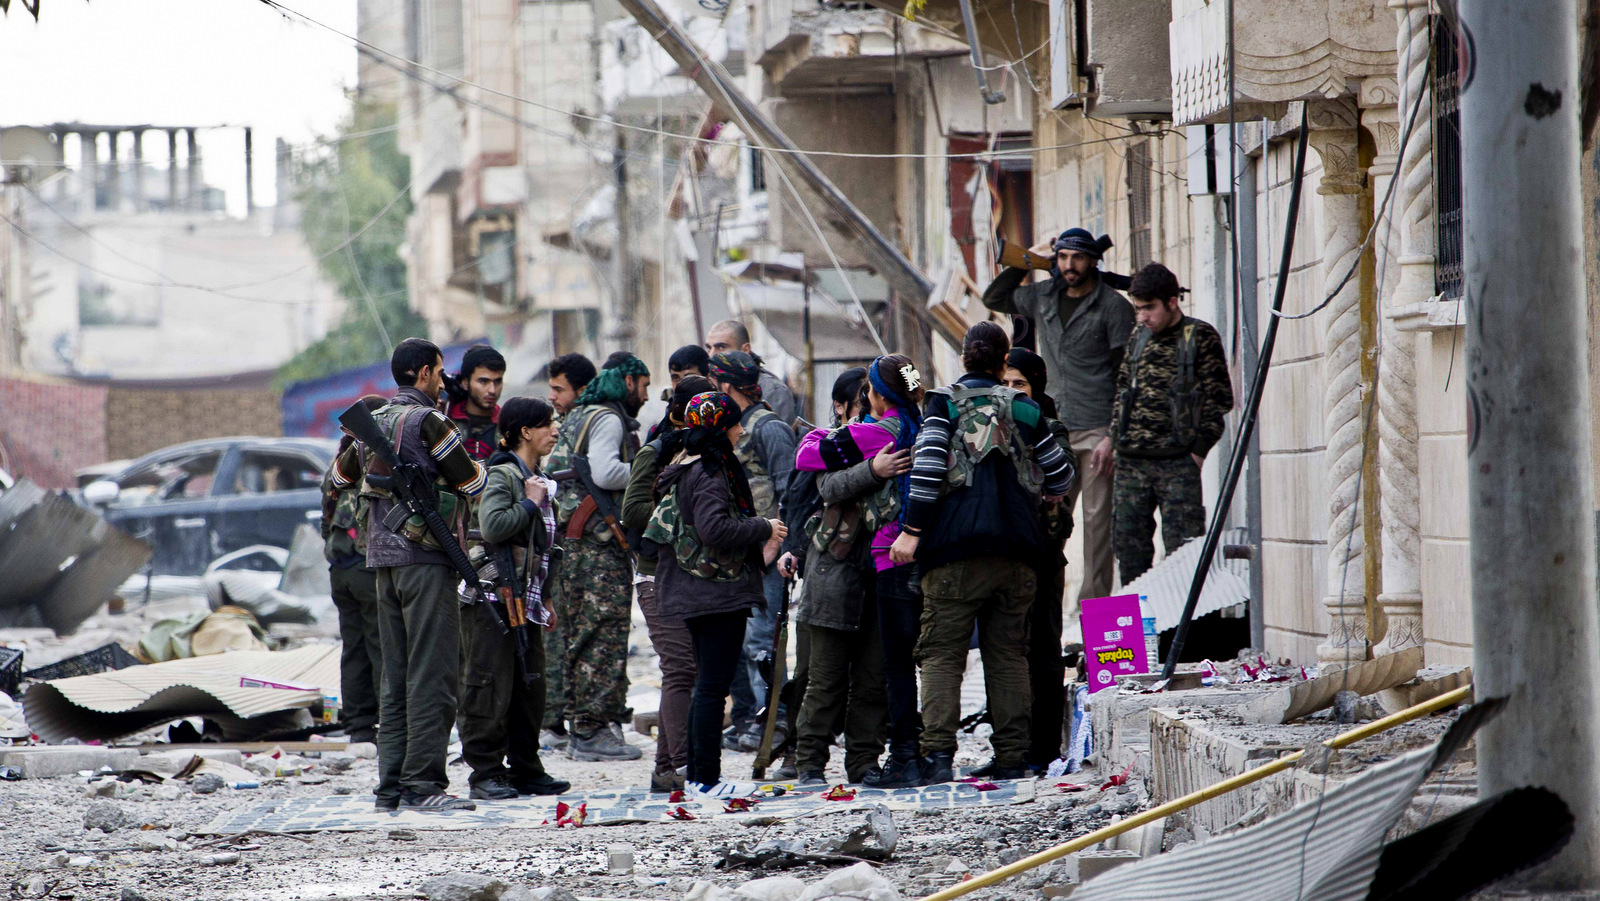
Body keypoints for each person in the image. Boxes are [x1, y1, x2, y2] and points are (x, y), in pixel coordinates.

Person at [890, 322, 1076, 784]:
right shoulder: (1026, 408)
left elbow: (930, 467)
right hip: (1017, 552)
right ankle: (1012, 756)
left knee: (941, 655)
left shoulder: (942, 404)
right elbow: (1061, 474)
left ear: (963, 360)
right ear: (1002, 360)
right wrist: (1047, 494)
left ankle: (937, 758)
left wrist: (912, 530)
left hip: (953, 550)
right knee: (1009, 654)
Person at [330, 338, 489, 811]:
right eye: (440, 372)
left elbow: (340, 479)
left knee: (395, 676)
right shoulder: (429, 421)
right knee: (434, 675)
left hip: (381, 561)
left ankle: (391, 786)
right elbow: (473, 482)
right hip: (425, 560)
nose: (444, 381)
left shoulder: (371, 422)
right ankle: (423, 784)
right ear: (423, 373)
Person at [982, 229, 1134, 604]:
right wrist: (1026, 260)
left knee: (1098, 531)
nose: (1069, 266)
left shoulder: (1113, 307)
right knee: (1047, 525)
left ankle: (1092, 619)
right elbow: (995, 297)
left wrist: (1113, 436)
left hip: (1097, 429)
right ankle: (1043, 606)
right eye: (1063, 257)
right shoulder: (1044, 295)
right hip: (1052, 430)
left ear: (1093, 261)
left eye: (1077, 258)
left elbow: (1126, 377)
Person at [788, 355, 919, 785]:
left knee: (872, 679)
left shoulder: (899, 430)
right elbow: (824, 483)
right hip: (836, 569)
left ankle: (863, 762)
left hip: (885, 573)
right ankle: (809, 763)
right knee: (824, 679)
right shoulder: (860, 435)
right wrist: (873, 470)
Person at [651, 391, 787, 797]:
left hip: (700, 591)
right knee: (712, 686)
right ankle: (705, 779)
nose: (741, 429)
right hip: (714, 592)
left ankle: (697, 776)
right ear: (719, 427)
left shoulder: (687, 462)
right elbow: (713, 529)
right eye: (734, 423)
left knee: (707, 685)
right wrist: (764, 527)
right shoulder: (709, 471)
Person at [458, 396, 572, 800]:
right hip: (491, 598)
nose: (555, 431)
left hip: (525, 599)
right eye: (547, 424)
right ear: (525, 431)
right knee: (489, 686)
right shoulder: (505, 475)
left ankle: (526, 768)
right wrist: (529, 502)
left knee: (530, 687)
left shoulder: (535, 476)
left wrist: (548, 600)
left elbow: (544, 548)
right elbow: (493, 527)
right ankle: (485, 772)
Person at [545, 351, 651, 761]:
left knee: (582, 636)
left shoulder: (579, 415)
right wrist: (650, 470)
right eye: (642, 386)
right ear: (628, 382)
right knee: (602, 636)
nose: (645, 394)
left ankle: (588, 726)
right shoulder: (606, 417)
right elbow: (606, 473)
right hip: (594, 547)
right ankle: (590, 733)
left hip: (575, 546)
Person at [772, 367, 869, 781]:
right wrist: (793, 549)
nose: (868, 415)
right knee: (816, 673)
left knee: (869, 676)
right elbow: (798, 500)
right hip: (826, 570)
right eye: (861, 406)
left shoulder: (883, 440)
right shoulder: (823, 447)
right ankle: (804, 755)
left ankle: (863, 759)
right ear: (840, 407)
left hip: (874, 573)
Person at [1111, 263, 1234, 583]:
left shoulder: (1199, 336)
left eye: (1149, 308)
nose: (1142, 317)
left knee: (1184, 556)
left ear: (1172, 302)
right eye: (1138, 309)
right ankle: (1138, 632)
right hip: (1131, 464)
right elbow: (1123, 389)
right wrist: (1114, 439)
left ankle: (1183, 632)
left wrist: (1197, 452)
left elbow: (1220, 402)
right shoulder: (1138, 336)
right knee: (1129, 555)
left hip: (1176, 464)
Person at [622, 373, 715, 793]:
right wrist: (678, 503)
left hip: (691, 573)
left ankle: (667, 768)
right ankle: (678, 764)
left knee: (690, 669)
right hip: (657, 573)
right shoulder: (656, 451)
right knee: (680, 668)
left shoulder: (702, 450)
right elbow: (634, 511)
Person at [709, 350, 799, 752]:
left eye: (716, 384)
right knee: (745, 643)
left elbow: (790, 493)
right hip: (743, 555)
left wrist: (776, 547)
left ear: (727, 387)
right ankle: (758, 721)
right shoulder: (734, 427)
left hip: (767, 557)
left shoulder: (769, 428)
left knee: (764, 642)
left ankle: (775, 723)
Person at [1002, 348, 1076, 771]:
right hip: (1007, 554)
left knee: (1043, 649)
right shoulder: (992, 422)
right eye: (1006, 384)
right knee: (1007, 650)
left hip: (1043, 556)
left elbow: (1063, 472)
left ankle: (1044, 745)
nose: (1012, 393)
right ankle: (1012, 747)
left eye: (1021, 385)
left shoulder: (1049, 425)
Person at [320, 394, 388, 745]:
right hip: (366, 567)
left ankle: (360, 724)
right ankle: (389, 724)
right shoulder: (371, 462)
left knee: (354, 646)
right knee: (381, 645)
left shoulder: (337, 464)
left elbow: (324, 518)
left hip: (340, 569)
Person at [540, 351, 598, 741]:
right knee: (554, 633)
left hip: (577, 545)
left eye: (560, 390)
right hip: (555, 542)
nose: (553, 397)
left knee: (571, 632)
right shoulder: (559, 425)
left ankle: (569, 716)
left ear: (581, 390)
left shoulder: (590, 425)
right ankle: (552, 717)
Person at [704, 319, 797, 426]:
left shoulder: (772, 389)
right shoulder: (712, 385)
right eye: (709, 348)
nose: (712, 355)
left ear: (745, 349)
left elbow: (776, 436)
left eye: (721, 347)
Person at [445, 344, 507, 462]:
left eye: (498, 382)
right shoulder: (446, 422)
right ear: (465, 383)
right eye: (483, 381)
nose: (492, 390)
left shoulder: (507, 425)